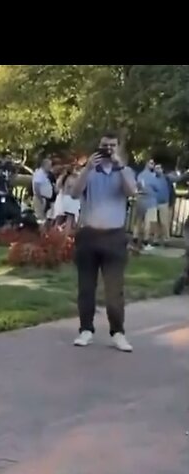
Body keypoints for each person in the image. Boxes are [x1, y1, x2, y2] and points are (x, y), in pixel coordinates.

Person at [70, 132, 137, 352]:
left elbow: (131, 192)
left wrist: (119, 166)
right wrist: (87, 168)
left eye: (112, 146)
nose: (108, 150)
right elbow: (74, 193)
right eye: (104, 146)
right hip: (89, 234)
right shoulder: (90, 171)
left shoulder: (124, 171)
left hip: (114, 236)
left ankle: (118, 332)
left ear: (118, 148)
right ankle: (85, 329)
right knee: (86, 287)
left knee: (114, 290)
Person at [134, 159, 159, 249]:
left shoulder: (140, 175)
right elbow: (157, 187)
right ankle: (145, 242)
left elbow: (138, 186)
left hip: (140, 199)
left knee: (138, 221)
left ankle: (135, 238)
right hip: (150, 201)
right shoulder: (153, 176)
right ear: (147, 164)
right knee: (148, 222)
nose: (153, 165)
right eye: (151, 163)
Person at [151, 163, 174, 247]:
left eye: (159, 168)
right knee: (156, 222)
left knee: (164, 222)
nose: (157, 170)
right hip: (154, 203)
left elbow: (172, 186)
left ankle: (167, 239)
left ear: (162, 170)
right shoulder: (152, 178)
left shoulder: (166, 178)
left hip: (163, 203)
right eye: (156, 168)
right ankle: (156, 239)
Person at [32, 155, 54, 224]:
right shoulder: (39, 173)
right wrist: (40, 198)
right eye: (49, 165)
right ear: (44, 165)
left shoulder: (45, 174)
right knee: (40, 217)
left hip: (45, 198)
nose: (50, 167)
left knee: (44, 217)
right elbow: (36, 186)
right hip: (40, 198)